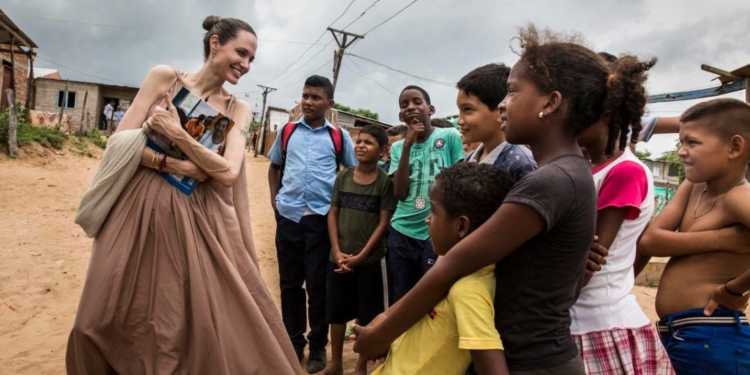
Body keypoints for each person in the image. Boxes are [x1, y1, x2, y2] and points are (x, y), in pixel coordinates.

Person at [354, 24, 654, 374]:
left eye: (512, 91)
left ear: (550, 102)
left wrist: (385, 330)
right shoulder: (571, 174)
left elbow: (456, 261)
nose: (502, 103)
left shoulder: (551, 181)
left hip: (533, 362)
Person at [66, 16, 301, 375]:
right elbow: (120, 141)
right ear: (215, 44)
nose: (246, 64)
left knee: (170, 325)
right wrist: (177, 164)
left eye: (252, 59)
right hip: (132, 207)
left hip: (192, 220)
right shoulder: (165, 78)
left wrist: (177, 136)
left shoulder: (239, 108)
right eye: (241, 52)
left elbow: (227, 172)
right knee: (95, 318)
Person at [572, 56, 673, 374]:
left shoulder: (625, 171)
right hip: (583, 322)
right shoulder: (590, 169)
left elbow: (590, 259)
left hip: (600, 325)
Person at [639, 98, 750, 374]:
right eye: (681, 142)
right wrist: (723, 239)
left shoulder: (739, 198)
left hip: (713, 335)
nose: (682, 152)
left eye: (692, 143)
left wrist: (735, 288)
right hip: (680, 333)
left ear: (734, 147)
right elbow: (652, 240)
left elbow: (661, 240)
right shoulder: (694, 186)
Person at [371, 163, 512, 375]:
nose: (427, 220)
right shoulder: (454, 273)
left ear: (461, 227)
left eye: (433, 211)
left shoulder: (468, 292)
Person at [267, 75, 358, 373]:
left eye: (315, 97)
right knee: (290, 283)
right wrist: (275, 203)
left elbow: (352, 174)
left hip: (321, 220)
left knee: (319, 285)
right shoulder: (288, 131)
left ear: (329, 104)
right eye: (305, 96)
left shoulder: (339, 137)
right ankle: (294, 339)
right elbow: (274, 168)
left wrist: (342, 214)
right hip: (290, 217)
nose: (308, 102)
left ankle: (318, 343)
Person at [322, 125, 395, 375]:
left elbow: (384, 222)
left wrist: (362, 256)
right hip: (339, 259)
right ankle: (336, 364)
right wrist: (337, 251)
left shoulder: (385, 183)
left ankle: (361, 366)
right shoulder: (342, 177)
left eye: (369, 143)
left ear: (383, 150)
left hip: (370, 261)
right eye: (359, 141)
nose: (361, 145)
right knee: (336, 311)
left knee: (366, 314)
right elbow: (333, 214)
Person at [387, 85, 464, 303]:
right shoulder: (398, 147)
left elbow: (459, 181)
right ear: (401, 115)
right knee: (401, 296)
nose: (411, 107)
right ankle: (401, 338)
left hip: (437, 232)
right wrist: (407, 146)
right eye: (404, 105)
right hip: (403, 231)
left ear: (430, 109)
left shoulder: (449, 136)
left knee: (433, 298)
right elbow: (400, 193)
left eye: (417, 102)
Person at [456, 63, 537, 181]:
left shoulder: (520, 164)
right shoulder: (469, 161)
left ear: (500, 112)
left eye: (467, 109)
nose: (459, 121)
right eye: (459, 110)